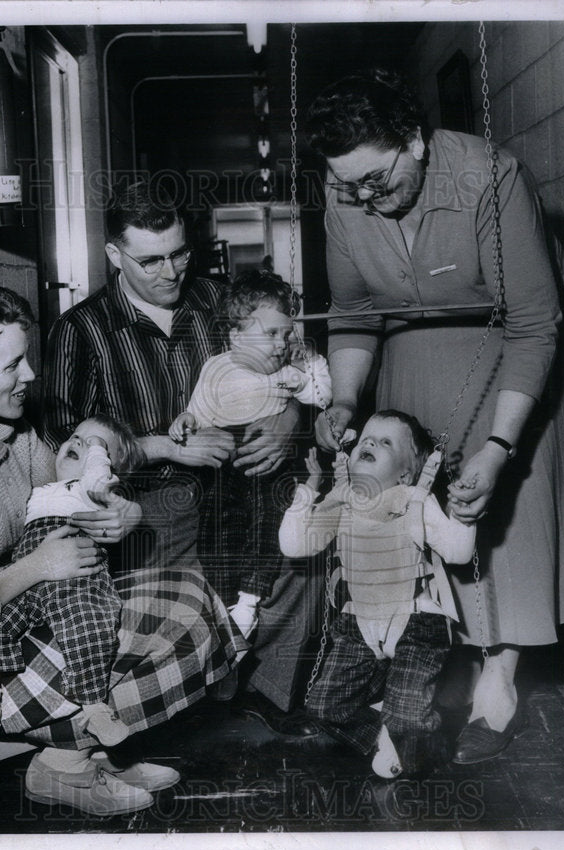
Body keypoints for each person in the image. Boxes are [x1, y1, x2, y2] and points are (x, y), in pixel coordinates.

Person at [306, 69, 564, 763]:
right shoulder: (346, 191)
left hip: (526, 336)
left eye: (376, 180)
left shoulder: (491, 177)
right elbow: (357, 312)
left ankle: (500, 676)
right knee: (430, 498)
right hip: (424, 333)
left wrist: (501, 446)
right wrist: (347, 400)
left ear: (415, 141)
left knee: (505, 500)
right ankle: (453, 647)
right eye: (347, 184)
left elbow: (536, 325)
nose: (362, 197)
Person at [0, 285, 244, 818]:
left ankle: (93, 748)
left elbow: (74, 483)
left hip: (29, 618)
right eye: (13, 365)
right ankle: (65, 767)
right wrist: (35, 567)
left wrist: (124, 511)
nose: (30, 376)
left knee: (187, 594)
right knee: (135, 624)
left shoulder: (10, 431)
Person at [43, 181, 323, 736]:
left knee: (300, 553)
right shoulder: (80, 330)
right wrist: (162, 445)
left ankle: (264, 692)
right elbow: (64, 445)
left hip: (241, 480)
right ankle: (196, 697)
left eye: (178, 253)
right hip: (149, 497)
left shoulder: (219, 302)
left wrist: (289, 420)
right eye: (150, 261)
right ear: (114, 256)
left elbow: (297, 357)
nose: (169, 272)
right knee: (181, 594)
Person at [280, 411, 475, 776]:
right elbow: (294, 544)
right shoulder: (340, 500)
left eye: (386, 443)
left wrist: (464, 515)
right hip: (358, 623)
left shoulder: (414, 500)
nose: (369, 443)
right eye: (365, 439)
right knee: (322, 709)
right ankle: (383, 732)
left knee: (411, 733)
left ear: (405, 474)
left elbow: (459, 553)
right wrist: (308, 489)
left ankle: (405, 725)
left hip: (416, 621)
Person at [0, 414, 143, 749]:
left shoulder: (92, 492)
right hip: (29, 572)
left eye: (95, 444)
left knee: (88, 623)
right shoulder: (42, 488)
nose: (79, 443)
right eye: (76, 436)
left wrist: (110, 478)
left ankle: (95, 707)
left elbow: (101, 482)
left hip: (74, 578)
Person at [169, 269, 332, 638]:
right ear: (236, 335)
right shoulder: (216, 368)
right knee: (216, 524)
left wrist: (311, 366)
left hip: (271, 462)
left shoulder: (288, 371)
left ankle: (249, 600)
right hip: (225, 460)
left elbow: (321, 397)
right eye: (271, 333)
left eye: (286, 333)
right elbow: (199, 409)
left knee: (265, 522)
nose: (280, 343)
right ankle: (224, 600)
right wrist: (185, 420)